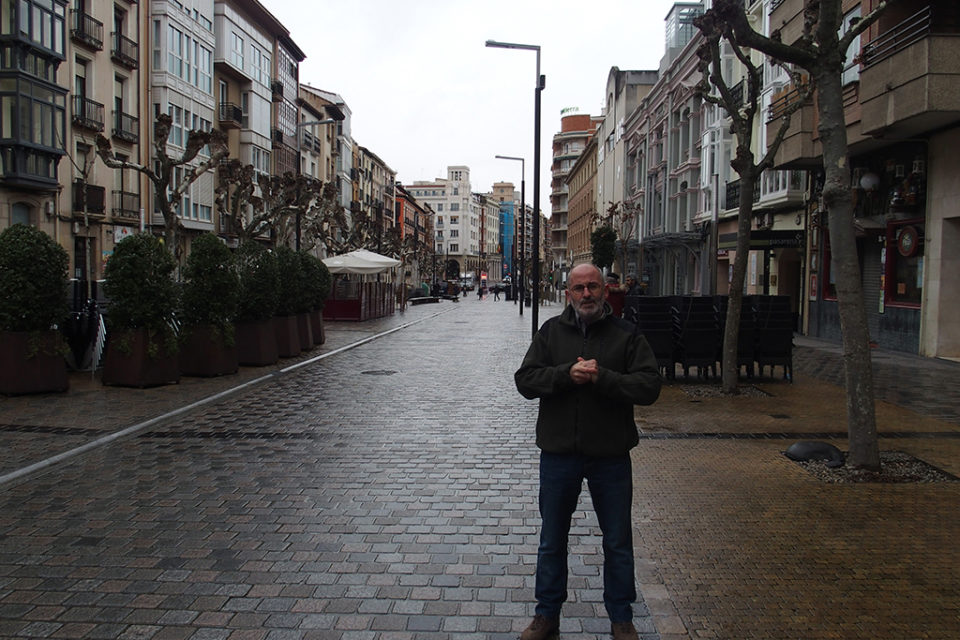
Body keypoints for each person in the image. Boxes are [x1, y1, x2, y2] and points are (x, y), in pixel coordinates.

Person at [514, 263, 662, 640]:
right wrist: (566, 375)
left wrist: (603, 379)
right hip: (559, 453)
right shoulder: (550, 332)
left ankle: (621, 617)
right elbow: (526, 381)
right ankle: (546, 615)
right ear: (568, 293)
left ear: (605, 290)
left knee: (616, 540)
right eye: (578, 288)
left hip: (610, 455)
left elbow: (648, 387)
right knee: (552, 539)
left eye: (593, 287)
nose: (586, 295)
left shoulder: (626, 335)